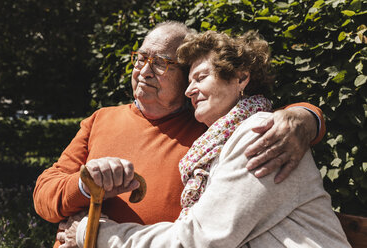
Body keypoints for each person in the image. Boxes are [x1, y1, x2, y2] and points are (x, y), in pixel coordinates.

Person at [33, 21, 325, 248]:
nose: (145, 70)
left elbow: (264, 120)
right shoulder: (101, 119)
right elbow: (44, 193)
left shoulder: (211, 130)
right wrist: (85, 185)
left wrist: (306, 116)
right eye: (140, 58)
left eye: (161, 63)